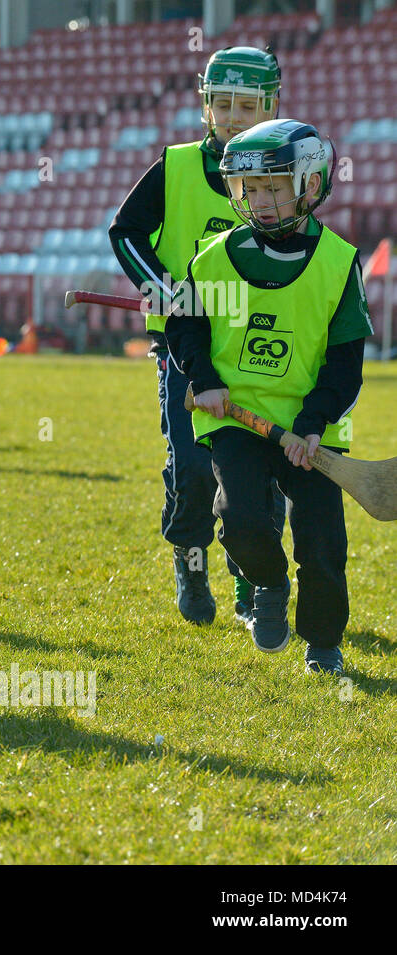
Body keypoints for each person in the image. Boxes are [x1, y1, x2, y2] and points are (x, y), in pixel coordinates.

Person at [166, 119, 368, 676]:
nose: (261, 201)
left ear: (309, 184)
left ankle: (323, 644)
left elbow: (345, 362)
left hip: (311, 429)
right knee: (240, 521)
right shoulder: (211, 259)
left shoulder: (338, 263)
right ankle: (269, 583)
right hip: (236, 420)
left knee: (322, 543)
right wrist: (202, 376)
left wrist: (312, 422)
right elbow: (185, 325)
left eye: (275, 188)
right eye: (250, 189)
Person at [109, 47, 286, 626]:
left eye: (248, 106)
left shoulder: (285, 177)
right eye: (223, 104)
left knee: (260, 474)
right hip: (186, 349)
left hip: (259, 351)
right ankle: (190, 559)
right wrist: (159, 286)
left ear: (271, 107)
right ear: (205, 105)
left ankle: (250, 576)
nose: (234, 117)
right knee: (190, 466)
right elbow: (126, 230)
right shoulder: (177, 166)